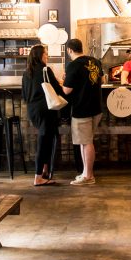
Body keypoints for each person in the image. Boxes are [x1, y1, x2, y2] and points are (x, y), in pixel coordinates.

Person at [61, 37, 102, 185]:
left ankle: (88, 176)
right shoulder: (95, 61)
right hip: (96, 108)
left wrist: (63, 81)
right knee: (86, 142)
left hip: (82, 108)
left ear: (69, 50)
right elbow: (100, 81)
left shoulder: (73, 65)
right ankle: (86, 173)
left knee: (86, 142)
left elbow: (66, 90)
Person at [21, 44, 61, 185]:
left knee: (46, 139)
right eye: (45, 53)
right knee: (44, 142)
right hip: (46, 109)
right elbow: (57, 90)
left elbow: (24, 95)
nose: (47, 56)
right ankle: (38, 177)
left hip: (33, 111)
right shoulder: (45, 70)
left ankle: (45, 172)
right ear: (40, 55)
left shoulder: (26, 72)